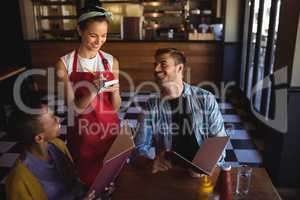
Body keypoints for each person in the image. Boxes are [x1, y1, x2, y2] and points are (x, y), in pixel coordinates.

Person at [55, 4, 121, 186]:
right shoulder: (64, 64)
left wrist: (115, 92)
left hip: (109, 130)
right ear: (79, 30)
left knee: (111, 178)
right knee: (86, 181)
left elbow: (115, 107)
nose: (99, 41)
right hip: (83, 133)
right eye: (93, 35)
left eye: (104, 35)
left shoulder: (110, 61)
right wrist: (93, 89)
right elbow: (72, 109)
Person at [134, 48, 227, 174]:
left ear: (179, 68)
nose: (156, 70)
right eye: (155, 65)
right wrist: (150, 163)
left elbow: (218, 140)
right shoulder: (151, 106)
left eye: (163, 64)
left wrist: (206, 165)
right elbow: (139, 148)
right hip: (168, 174)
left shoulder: (205, 99)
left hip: (203, 174)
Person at [5, 103, 95, 200]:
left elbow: (74, 180)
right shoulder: (18, 180)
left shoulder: (59, 145)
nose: (58, 119)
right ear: (39, 138)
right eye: (52, 119)